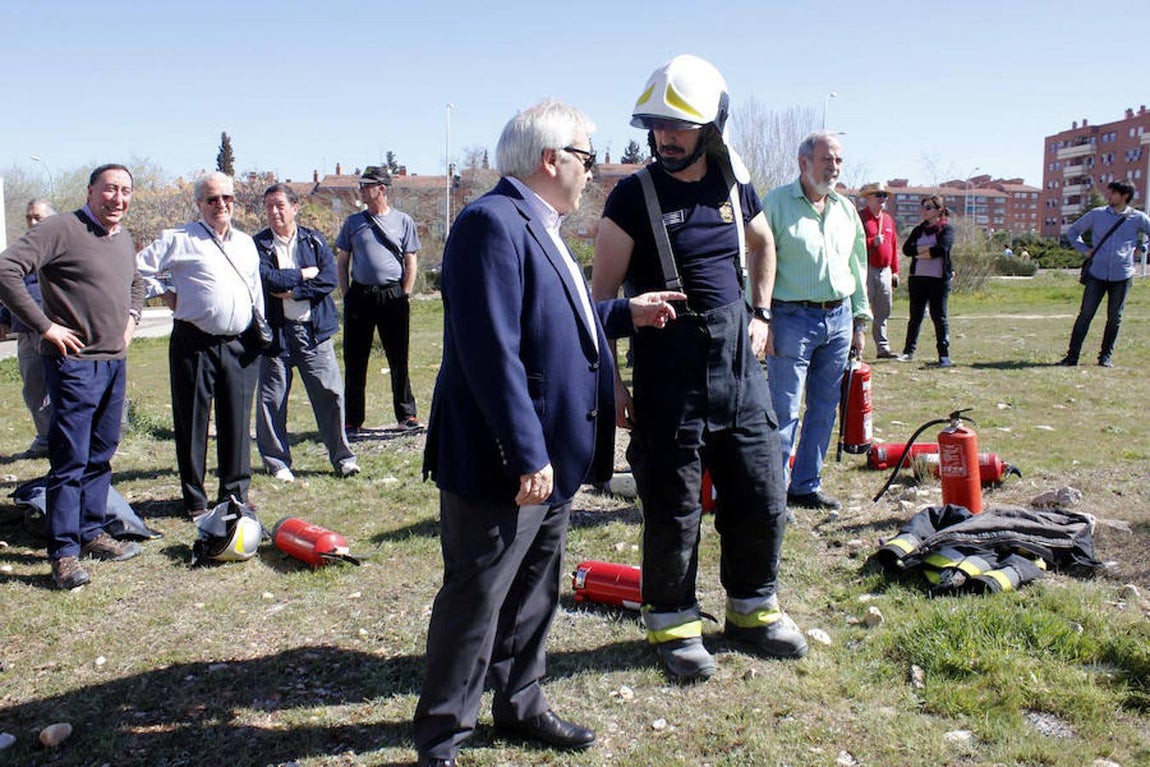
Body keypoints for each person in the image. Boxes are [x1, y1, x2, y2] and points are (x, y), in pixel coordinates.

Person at [414, 98, 683, 767]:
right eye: (587, 157)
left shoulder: (539, 223)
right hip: (505, 462)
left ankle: (520, 700)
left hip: (553, 459)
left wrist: (624, 314)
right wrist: (525, 452)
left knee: (536, 588)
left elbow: (558, 313)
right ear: (550, 158)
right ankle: (443, 735)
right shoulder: (489, 223)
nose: (592, 172)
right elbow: (489, 348)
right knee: (478, 595)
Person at [592, 54, 807, 684]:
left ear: (712, 125)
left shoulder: (733, 182)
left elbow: (763, 243)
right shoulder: (631, 197)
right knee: (674, 505)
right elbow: (598, 300)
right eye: (656, 126)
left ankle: (752, 611)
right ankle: (675, 624)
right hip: (668, 375)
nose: (665, 138)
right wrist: (615, 380)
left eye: (678, 126)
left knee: (762, 493)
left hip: (741, 370)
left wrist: (762, 312)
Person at [0, 165, 146, 589]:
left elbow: (135, 282)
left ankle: (91, 530)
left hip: (113, 361)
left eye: (125, 191)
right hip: (73, 364)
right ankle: (64, 552)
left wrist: (132, 321)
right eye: (109, 190)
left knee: (102, 451)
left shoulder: (122, 238)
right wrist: (45, 326)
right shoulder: (61, 229)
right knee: (70, 459)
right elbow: (6, 270)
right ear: (91, 191)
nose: (117, 198)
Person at [136, 172, 262, 520]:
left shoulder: (246, 243)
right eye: (212, 199)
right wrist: (165, 292)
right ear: (199, 204)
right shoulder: (179, 239)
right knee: (192, 421)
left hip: (240, 343)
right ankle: (194, 499)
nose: (221, 205)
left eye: (227, 198)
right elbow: (136, 269)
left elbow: (255, 290)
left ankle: (235, 494)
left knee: (237, 421)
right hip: (194, 342)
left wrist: (259, 332)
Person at [763, 132, 870, 512]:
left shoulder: (845, 209)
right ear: (803, 162)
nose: (834, 167)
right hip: (790, 318)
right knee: (784, 410)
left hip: (838, 317)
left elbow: (857, 265)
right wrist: (762, 318)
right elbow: (754, 263)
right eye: (827, 159)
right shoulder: (775, 204)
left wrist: (860, 320)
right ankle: (774, 496)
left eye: (838, 161)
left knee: (824, 407)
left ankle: (806, 485)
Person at [254, 184, 359, 482]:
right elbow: (266, 279)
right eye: (269, 206)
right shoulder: (258, 244)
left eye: (280, 205)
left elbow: (327, 279)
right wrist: (302, 274)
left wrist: (294, 291)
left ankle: (344, 458)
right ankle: (277, 462)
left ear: (295, 206)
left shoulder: (313, 240)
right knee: (271, 400)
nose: (274, 212)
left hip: (313, 333)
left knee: (330, 395)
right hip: (275, 335)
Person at [335, 167, 423, 434]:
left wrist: (404, 292)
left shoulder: (403, 221)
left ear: (381, 189)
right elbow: (342, 260)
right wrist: (346, 293)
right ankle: (353, 420)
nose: (360, 190)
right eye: (360, 185)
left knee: (399, 357)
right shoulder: (353, 222)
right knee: (355, 359)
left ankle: (406, 415)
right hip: (360, 296)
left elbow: (411, 260)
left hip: (393, 296)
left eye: (366, 185)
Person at [1058, 180, 1150, 368]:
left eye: (1113, 193)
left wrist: (1143, 248)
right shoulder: (1096, 214)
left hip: (1122, 275)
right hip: (1097, 273)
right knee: (1085, 315)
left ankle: (1105, 357)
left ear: (1125, 196)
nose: (1109, 196)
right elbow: (1073, 231)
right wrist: (1085, 249)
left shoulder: (1138, 218)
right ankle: (1071, 357)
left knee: (1115, 317)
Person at [0, 199, 58, 458]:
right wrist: (2, 319)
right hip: (26, 329)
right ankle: (46, 439)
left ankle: (69, 440)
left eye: (38, 217)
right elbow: (9, 288)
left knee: (64, 386)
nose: (32, 223)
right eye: (29, 218)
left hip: (59, 328)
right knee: (34, 387)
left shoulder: (63, 246)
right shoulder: (21, 251)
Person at [898, 194, 955, 367]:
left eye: (928, 207)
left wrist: (920, 251)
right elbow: (907, 250)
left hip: (938, 280)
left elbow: (942, 249)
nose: (924, 210)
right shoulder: (918, 230)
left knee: (939, 317)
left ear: (939, 210)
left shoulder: (946, 229)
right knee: (915, 317)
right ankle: (908, 352)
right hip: (917, 279)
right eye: (923, 207)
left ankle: (944, 356)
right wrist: (925, 250)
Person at [858, 182, 899, 359]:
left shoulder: (888, 219)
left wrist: (895, 270)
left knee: (883, 310)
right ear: (868, 198)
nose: (883, 199)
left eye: (885, 195)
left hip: (885, 271)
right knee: (862, 309)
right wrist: (871, 242)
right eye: (879, 195)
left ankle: (883, 348)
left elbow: (894, 246)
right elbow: (852, 244)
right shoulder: (860, 218)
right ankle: (856, 348)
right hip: (866, 269)